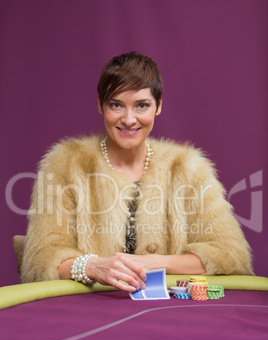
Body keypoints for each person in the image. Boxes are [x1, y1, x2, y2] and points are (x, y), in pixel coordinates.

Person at [20, 51, 253, 291]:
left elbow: (231, 253)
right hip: (87, 311)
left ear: (158, 106)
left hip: (169, 315)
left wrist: (153, 262)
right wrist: (92, 266)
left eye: (142, 105)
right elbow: (41, 259)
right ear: (100, 105)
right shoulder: (65, 164)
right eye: (116, 105)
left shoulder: (188, 167)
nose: (129, 119)